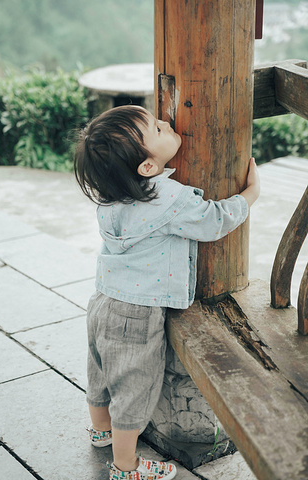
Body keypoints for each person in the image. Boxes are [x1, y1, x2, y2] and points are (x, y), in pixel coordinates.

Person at [74, 105, 260, 480]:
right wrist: (250, 194)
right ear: (146, 168)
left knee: (100, 373)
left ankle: (100, 432)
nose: (167, 123)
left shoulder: (110, 196)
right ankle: (126, 467)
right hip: (136, 313)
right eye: (158, 128)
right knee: (134, 390)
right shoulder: (167, 198)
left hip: (103, 301)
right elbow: (213, 221)